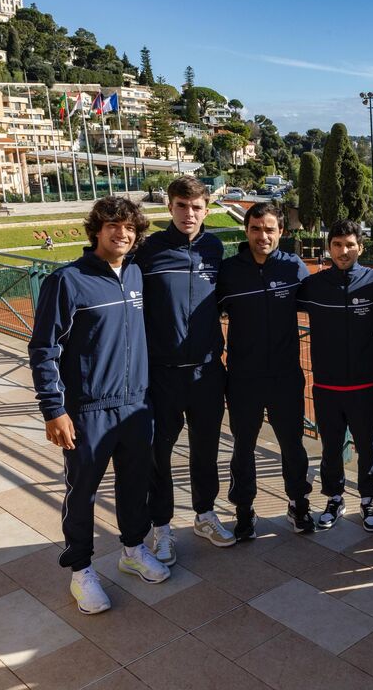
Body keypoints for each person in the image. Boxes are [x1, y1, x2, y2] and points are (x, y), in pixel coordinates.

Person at [28, 196, 169, 615]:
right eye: (112, 225)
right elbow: (44, 348)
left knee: (134, 484)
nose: (121, 233)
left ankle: (132, 548)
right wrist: (54, 409)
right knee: (82, 492)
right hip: (88, 409)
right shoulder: (67, 281)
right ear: (96, 230)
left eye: (128, 227)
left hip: (135, 406)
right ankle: (81, 571)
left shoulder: (137, 275)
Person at [134, 176, 232, 565]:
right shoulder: (149, 251)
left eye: (196, 207)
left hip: (207, 373)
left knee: (206, 451)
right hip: (162, 375)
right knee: (159, 454)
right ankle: (161, 528)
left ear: (206, 209)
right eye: (181, 206)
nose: (189, 214)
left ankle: (205, 515)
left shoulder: (215, 248)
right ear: (169, 207)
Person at [217, 203, 314, 536]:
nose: (263, 235)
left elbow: (321, 304)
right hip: (244, 377)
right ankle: (244, 511)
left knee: (293, 445)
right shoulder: (229, 271)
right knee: (243, 446)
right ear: (247, 230)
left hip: (286, 376)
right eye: (256, 228)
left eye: (270, 229)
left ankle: (299, 505)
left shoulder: (294, 267)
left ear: (281, 232)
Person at [297, 219, 373, 531]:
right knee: (331, 448)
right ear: (329, 247)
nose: (343, 251)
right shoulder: (314, 285)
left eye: (349, 245)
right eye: (337, 245)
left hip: (366, 386)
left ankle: (368, 499)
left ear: (360, 247)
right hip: (326, 386)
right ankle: (334, 498)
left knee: (368, 448)